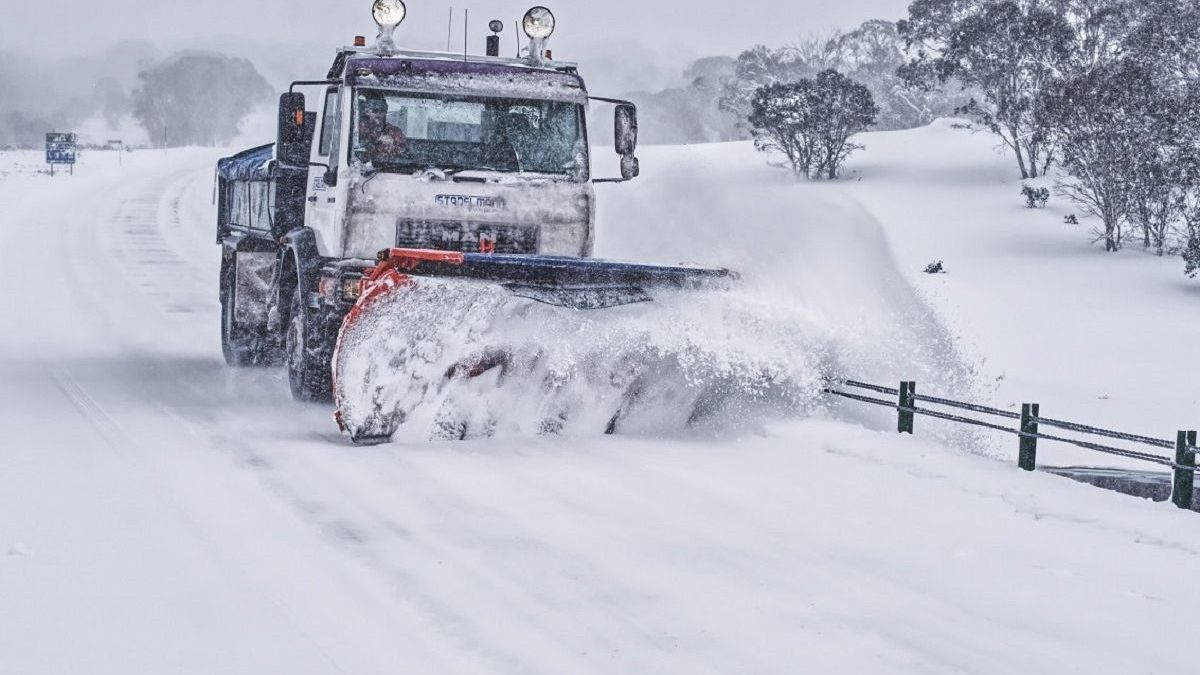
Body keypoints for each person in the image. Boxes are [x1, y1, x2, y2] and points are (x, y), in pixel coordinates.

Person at [356, 94, 408, 162]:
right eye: (375, 110)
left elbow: (404, 153)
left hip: (389, 168)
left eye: (382, 110)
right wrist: (375, 140)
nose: (379, 114)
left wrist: (392, 143)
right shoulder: (357, 129)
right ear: (366, 111)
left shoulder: (395, 132)